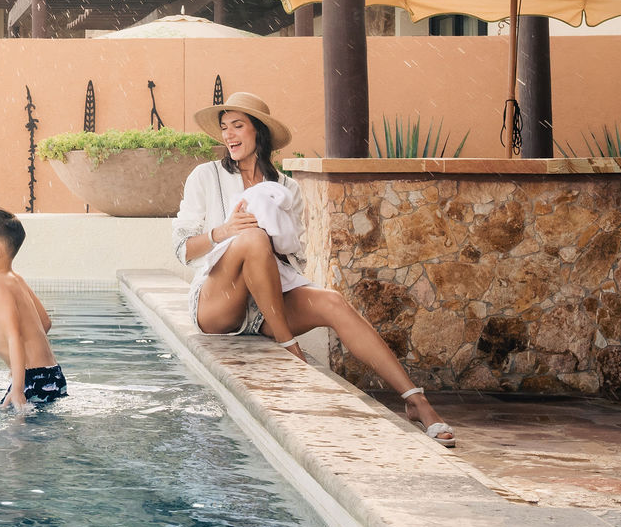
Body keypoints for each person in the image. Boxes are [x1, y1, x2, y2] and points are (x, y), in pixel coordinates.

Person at [174, 92, 455, 447]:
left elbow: (295, 258)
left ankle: (416, 401)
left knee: (332, 301)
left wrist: (274, 234)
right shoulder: (205, 176)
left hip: (265, 304)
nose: (229, 135)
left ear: (259, 132)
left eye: (238, 126)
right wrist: (224, 231)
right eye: (225, 127)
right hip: (219, 304)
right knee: (251, 239)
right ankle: (290, 348)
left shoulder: (287, 187)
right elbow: (182, 249)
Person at [0, 207, 66, 409]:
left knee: (11, 437)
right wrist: (21, 365)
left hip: (31, 380)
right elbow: (45, 322)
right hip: (50, 374)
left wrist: (18, 387)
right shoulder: (16, 279)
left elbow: (15, 335)